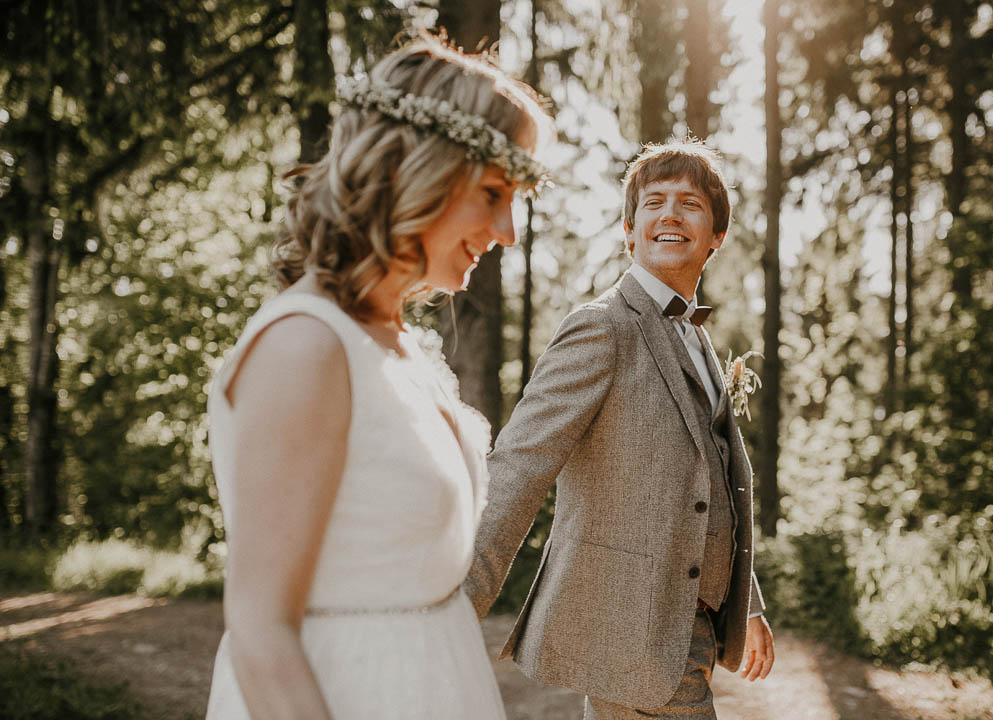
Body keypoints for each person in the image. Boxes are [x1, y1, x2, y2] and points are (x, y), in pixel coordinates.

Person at [203, 35, 550, 720]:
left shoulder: (396, 345)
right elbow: (260, 631)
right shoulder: (305, 346)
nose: (508, 230)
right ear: (414, 171)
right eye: (490, 193)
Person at [465, 139, 776, 719]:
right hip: (629, 627)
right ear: (629, 232)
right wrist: (458, 608)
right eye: (654, 203)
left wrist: (745, 604)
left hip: (693, 626)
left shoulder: (699, 340)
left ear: (717, 236)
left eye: (690, 204)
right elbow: (518, 466)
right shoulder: (601, 328)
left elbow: (711, 489)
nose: (670, 214)